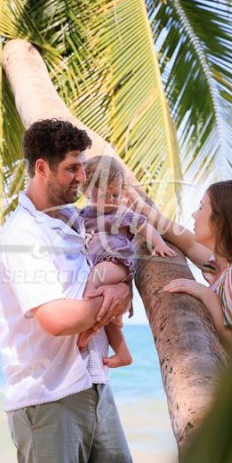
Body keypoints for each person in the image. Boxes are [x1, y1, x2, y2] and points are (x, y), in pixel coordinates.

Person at [0, 119, 138, 463]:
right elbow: (56, 319)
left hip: (95, 388)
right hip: (48, 400)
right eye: (71, 168)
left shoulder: (78, 220)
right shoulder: (24, 234)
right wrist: (115, 298)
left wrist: (120, 286)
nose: (80, 177)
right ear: (42, 168)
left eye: (82, 168)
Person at [142, 180, 232, 351]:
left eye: (200, 207)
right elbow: (188, 243)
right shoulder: (225, 268)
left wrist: (208, 296)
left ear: (220, 221)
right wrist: (142, 208)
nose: (194, 215)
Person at [76, 155, 176, 367]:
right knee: (110, 315)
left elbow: (143, 225)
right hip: (99, 264)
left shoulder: (121, 213)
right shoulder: (82, 216)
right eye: (105, 195)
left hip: (117, 262)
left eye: (116, 194)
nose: (113, 200)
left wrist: (158, 243)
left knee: (94, 280)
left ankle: (86, 326)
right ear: (86, 190)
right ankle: (123, 353)